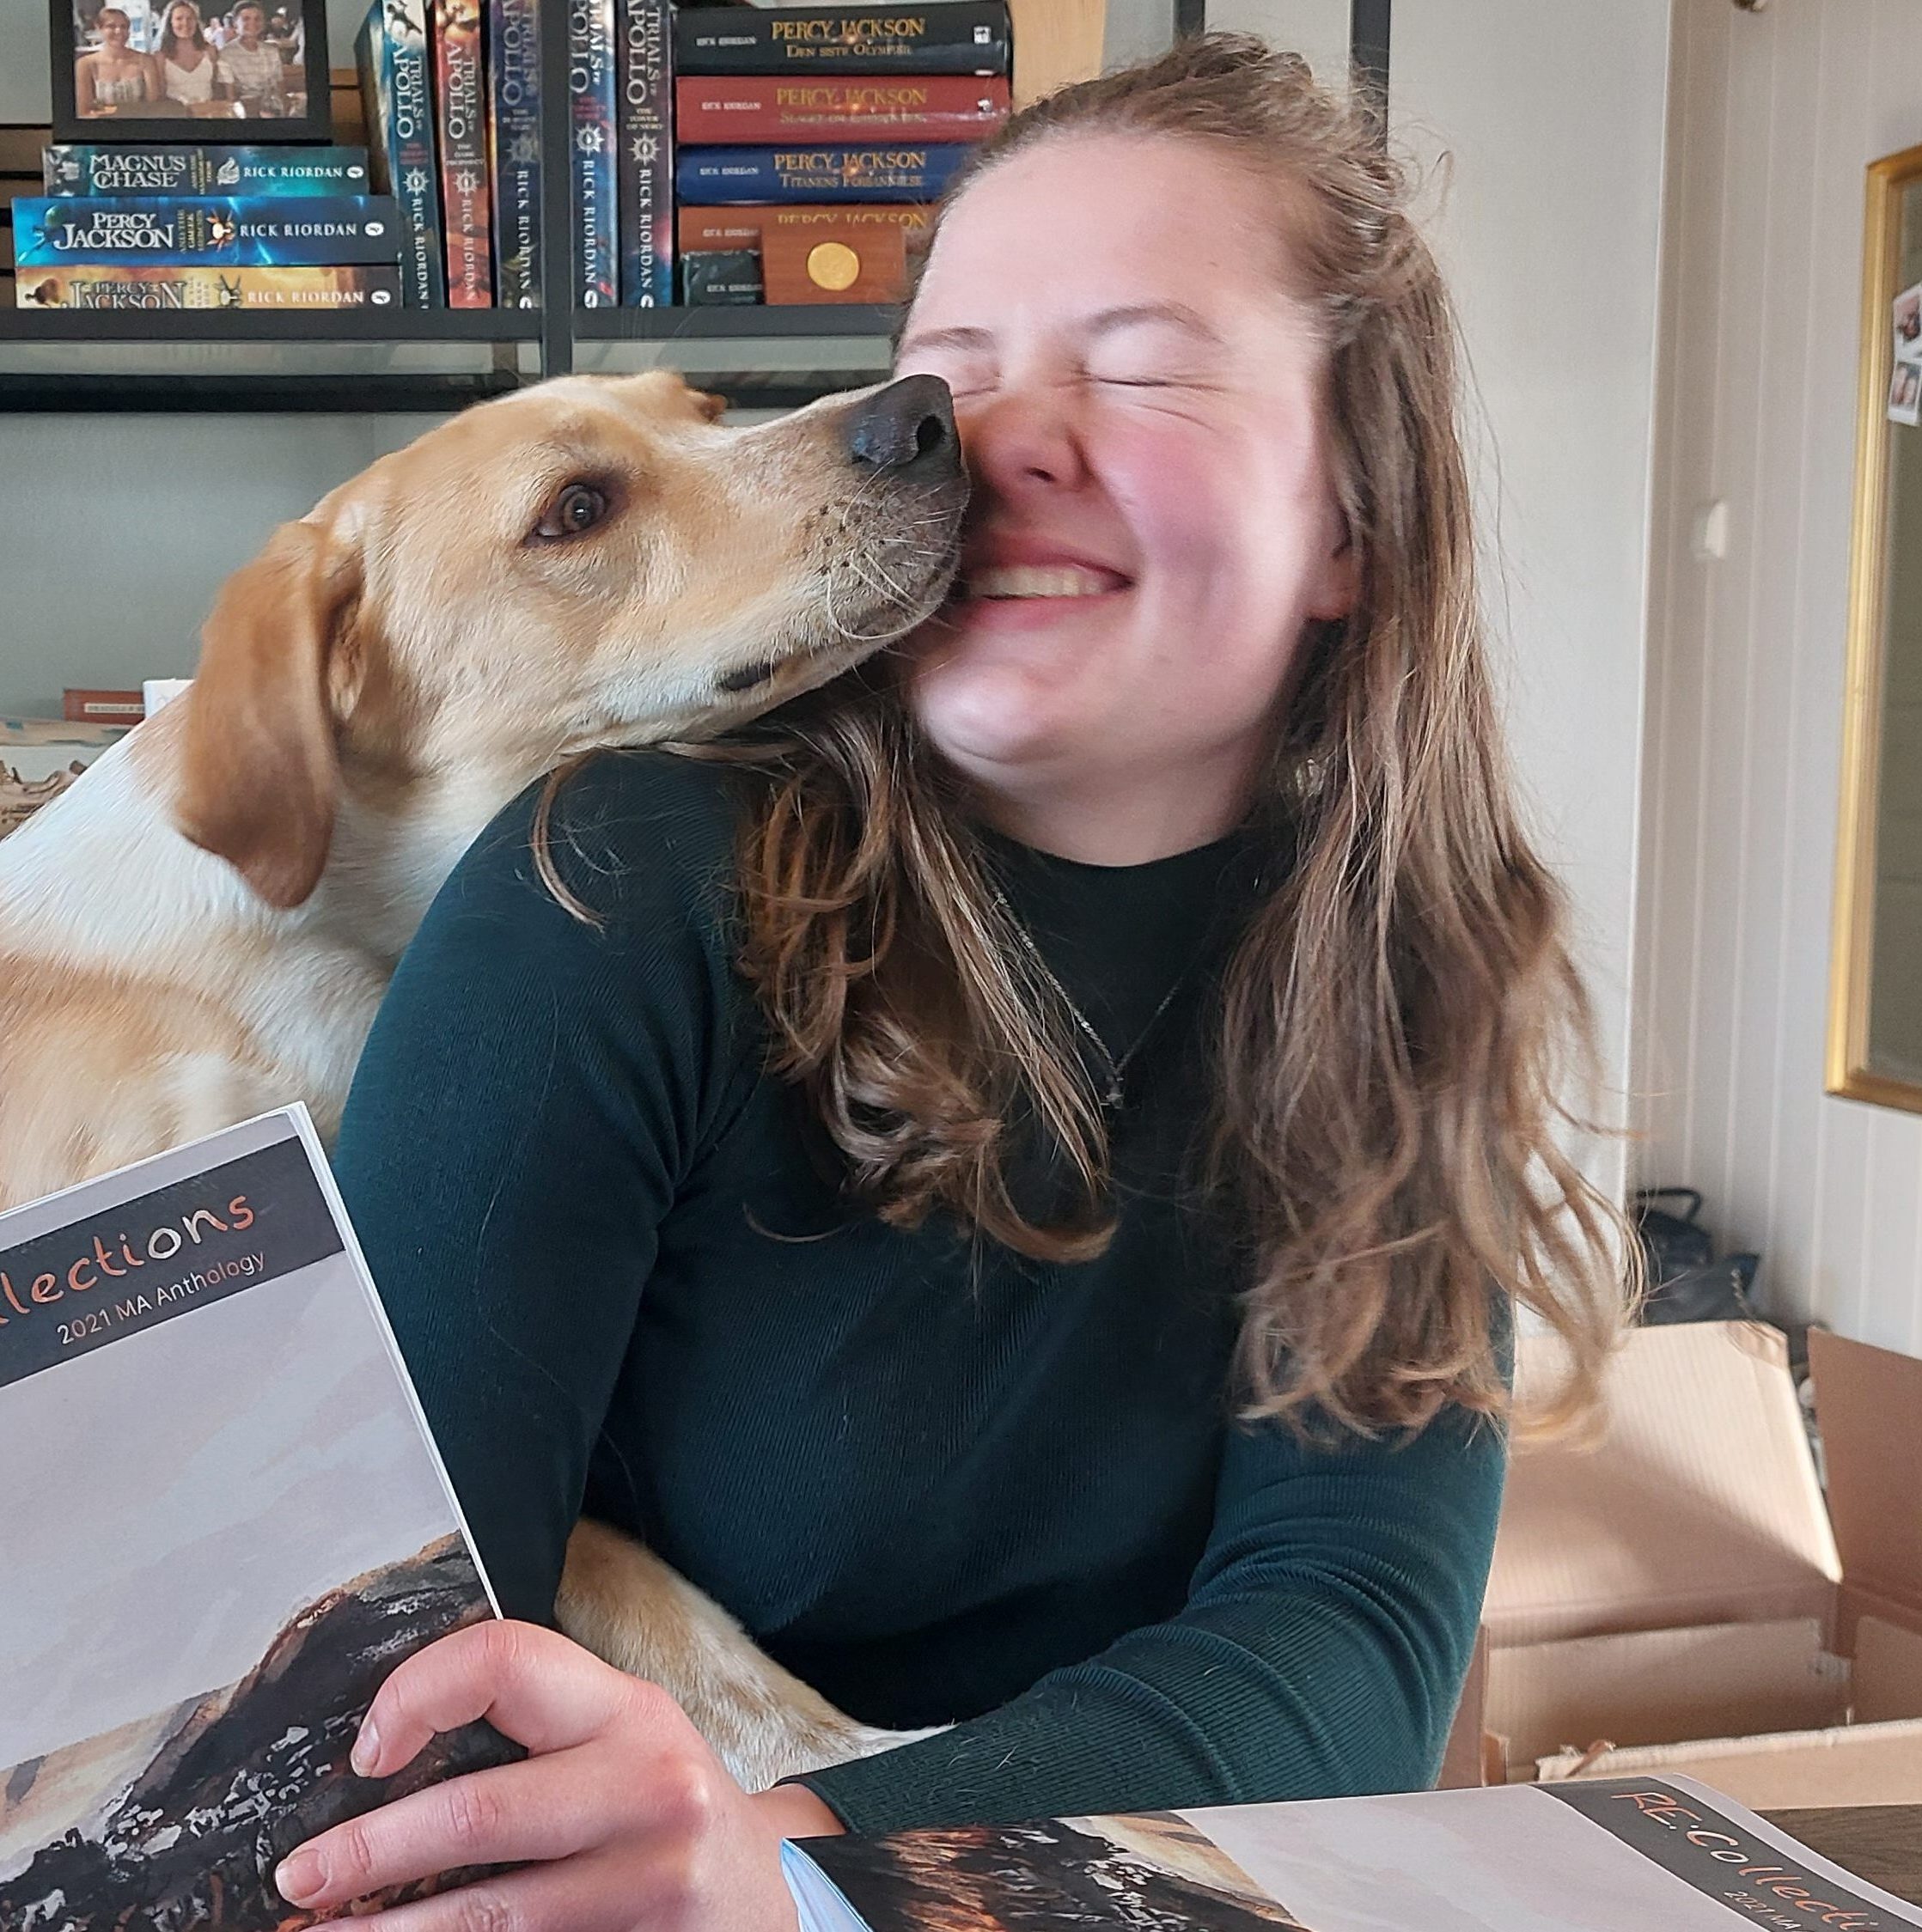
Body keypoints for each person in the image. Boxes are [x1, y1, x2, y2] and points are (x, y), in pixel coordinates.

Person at [278, 32, 1631, 1932]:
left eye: (1141, 367)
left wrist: (793, 1854)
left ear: (1350, 518)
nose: (1000, 437)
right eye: (953, 368)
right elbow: (358, 1681)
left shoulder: (1404, 992)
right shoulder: (611, 880)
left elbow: (1342, 1642)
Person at [73, 6, 156, 115]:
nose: (119, 31)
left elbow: (154, 106)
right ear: (99, 28)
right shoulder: (85, 64)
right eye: (111, 26)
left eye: (124, 27)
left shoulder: (146, 61)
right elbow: (83, 111)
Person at [215, 2, 284, 112]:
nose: (253, 23)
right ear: (235, 23)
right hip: (244, 111)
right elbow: (230, 98)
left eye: (257, 19)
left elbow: (279, 88)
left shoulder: (272, 52)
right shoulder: (227, 54)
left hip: (270, 109)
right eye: (246, 19)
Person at [155, 0, 217, 107]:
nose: (185, 23)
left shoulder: (210, 51)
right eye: (179, 19)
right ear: (170, 22)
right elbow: (160, 94)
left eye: (190, 18)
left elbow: (216, 86)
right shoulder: (160, 57)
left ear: (196, 22)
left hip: (208, 110)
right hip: (176, 112)